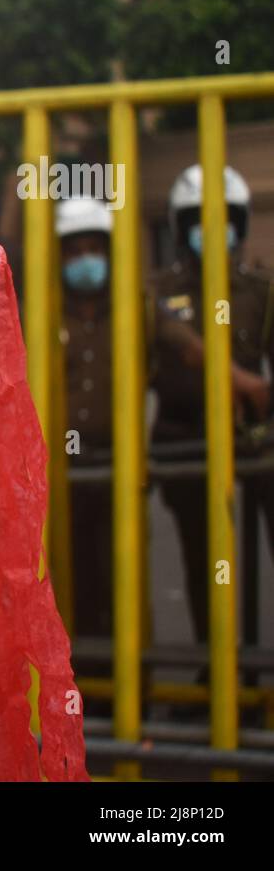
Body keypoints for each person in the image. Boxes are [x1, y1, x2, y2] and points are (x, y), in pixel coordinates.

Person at [150, 163, 274, 646]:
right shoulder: (160, 294)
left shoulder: (261, 293)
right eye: (199, 218)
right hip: (185, 438)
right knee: (204, 565)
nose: (211, 228)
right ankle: (214, 667)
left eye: (222, 217)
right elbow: (161, 336)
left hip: (252, 440)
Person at [57, 197, 117, 640]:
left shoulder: (134, 312)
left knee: (115, 571)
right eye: (74, 253)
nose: (85, 262)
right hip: (60, 469)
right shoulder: (43, 314)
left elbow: (189, 347)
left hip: (116, 465)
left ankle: (117, 677)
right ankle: (75, 677)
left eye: (93, 250)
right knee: (65, 570)